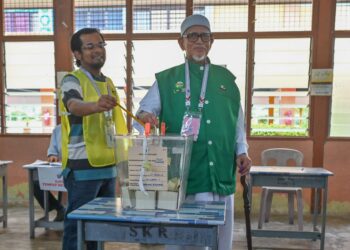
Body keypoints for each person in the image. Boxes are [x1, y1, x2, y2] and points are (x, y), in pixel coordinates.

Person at [136, 15, 252, 250]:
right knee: (181, 239)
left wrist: (242, 151)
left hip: (219, 169)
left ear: (212, 40)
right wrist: (146, 119)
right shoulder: (166, 80)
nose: (199, 40)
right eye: (192, 36)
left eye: (204, 35)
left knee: (220, 236)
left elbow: (237, 122)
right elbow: (142, 115)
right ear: (182, 43)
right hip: (182, 173)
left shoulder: (227, 81)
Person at [59, 28, 128, 250]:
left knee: (98, 229)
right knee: (77, 229)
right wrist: (95, 106)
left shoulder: (108, 83)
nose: (97, 50)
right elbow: (73, 105)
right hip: (83, 169)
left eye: (100, 45)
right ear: (77, 54)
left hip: (108, 168)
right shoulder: (72, 79)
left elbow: (117, 123)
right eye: (90, 47)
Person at [33, 124, 65, 222]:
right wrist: (52, 156)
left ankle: (68, 213)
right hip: (59, 168)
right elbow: (52, 151)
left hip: (78, 169)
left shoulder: (83, 125)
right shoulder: (58, 129)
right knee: (36, 183)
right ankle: (59, 208)